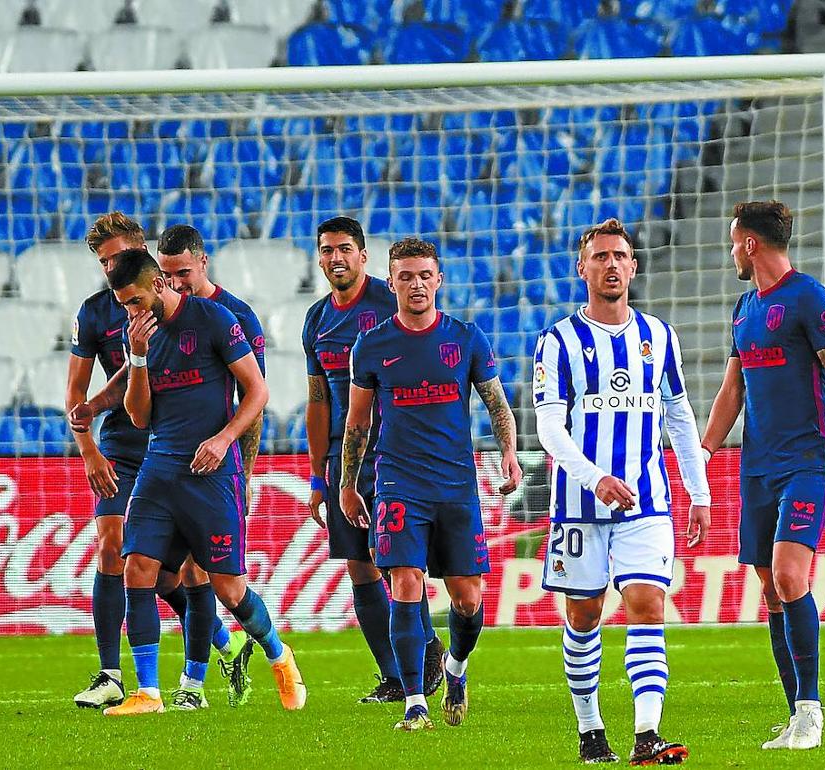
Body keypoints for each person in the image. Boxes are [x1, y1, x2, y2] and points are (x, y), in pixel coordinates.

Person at [533, 218, 709, 764]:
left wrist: (697, 489)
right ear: (581, 268)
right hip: (579, 506)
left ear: (633, 267)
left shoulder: (659, 336)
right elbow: (548, 427)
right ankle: (591, 732)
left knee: (646, 604)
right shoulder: (557, 340)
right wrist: (595, 478)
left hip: (647, 500)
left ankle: (646, 734)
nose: (612, 265)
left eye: (621, 256)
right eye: (601, 256)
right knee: (583, 617)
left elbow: (678, 415)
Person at [101, 248, 305, 715]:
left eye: (134, 302)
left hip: (211, 472)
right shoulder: (141, 337)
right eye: (123, 306)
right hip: (159, 467)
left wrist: (224, 438)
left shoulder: (213, 319)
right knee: (138, 570)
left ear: (158, 287)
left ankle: (279, 654)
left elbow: (258, 391)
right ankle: (148, 693)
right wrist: (135, 358)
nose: (130, 313)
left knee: (228, 588)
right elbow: (137, 415)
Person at [701, 201, 825, 751]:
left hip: (808, 462)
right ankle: (794, 715)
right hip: (756, 467)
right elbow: (733, 390)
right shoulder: (743, 307)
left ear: (750, 243)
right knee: (772, 590)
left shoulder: (810, 298)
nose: (731, 252)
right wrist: (703, 452)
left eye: (734, 242)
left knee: (791, 575)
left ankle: (811, 712)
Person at [69, 213, 250, 709]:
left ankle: (215, 652)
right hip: (125, 447)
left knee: (185, 575)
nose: (110, 268)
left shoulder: (205, 313)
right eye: (102, 261)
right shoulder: (95, 312)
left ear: (143, 254)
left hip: (179, 449)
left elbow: (247, 397)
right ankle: (112, 674)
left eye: (117, 256)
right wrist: (88, 447)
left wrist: (242, 469)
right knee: (116, 549)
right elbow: (81, 393)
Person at [340, 238, 521, 731]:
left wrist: (508, 451)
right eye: (406, 276)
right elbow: (357, 423)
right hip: (398, 483)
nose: (416, 284)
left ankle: (456, 670)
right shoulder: (372, 345)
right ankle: (415, 701)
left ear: (438, 280)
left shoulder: (465, 338)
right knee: (404, 582)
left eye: (425, 275)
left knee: (468, 599)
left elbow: (496, 404)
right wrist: (348, 483)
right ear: (391, 281)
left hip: (457, 486)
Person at [301, 216, 444, 703]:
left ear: (364, 256)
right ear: (319, 258)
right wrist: (320, 474)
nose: (336, 258)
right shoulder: (316, 320)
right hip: (347, 457)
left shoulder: (390, 303)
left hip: (397, 453)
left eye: (345, 248)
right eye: (327, 250)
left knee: (398, 565)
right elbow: (318, 399)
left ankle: (424, 656)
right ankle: (394, 675)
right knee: (359, 567)